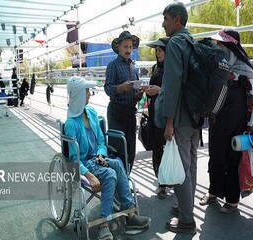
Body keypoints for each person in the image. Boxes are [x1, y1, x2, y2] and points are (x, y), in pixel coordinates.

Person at [65, 76, 151, 240]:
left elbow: (100, 141)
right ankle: (104, 224)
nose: (90, 93)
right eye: (87, 91)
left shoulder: (91, 112)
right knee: (110, 174)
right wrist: (89, 176)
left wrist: (101, 155)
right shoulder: (71, 124)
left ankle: (130, 214)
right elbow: (73, 157)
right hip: (84, 164)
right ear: (79, 95)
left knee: (117, 163)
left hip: (95, 158)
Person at [201, 29, 253, 213]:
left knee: (232, 159)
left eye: (221, 45)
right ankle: (213, 192)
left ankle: (232, 200)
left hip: (237, 123)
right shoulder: (219, 68)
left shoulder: (245, 71)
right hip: (217, 121)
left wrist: (252, 125)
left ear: (230, 47)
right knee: (215, 155)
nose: (218, 48)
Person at [156, 2, 200, 234]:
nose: (163, 23)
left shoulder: (175, 44)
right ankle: (186, 207)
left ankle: (186, 220)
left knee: (181, 168)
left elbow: (172, 85)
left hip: (181, 118)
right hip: (196, 117)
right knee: (191, 166)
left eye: (166, 18)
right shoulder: (193, 42)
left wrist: (169, 122)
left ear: (177, 20)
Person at [104, 31, 143, 172]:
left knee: (130, 149)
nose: (128, 50)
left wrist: (138, 95)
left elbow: (133, 90)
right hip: (117, 112)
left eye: (130, 47)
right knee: (117, 147)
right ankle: (116, 182)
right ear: (118, 47)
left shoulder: (133, 67)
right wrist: (121, 88)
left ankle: (126, 180)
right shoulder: (112, 66)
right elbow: (107, 88)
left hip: (130, 112)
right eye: (125, 47)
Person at [140, 37, 168, 199]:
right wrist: (147, 90)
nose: (157, 53)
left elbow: (175, 91)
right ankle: (162, 183)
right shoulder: (155, 68)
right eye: (156, 50)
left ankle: (171, 178)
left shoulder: (173, 68)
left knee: (169, 148)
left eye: (160, 50)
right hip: (154, 112)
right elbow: (155, 89)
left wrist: (159, 90)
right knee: (157, 148)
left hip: (168, 113)